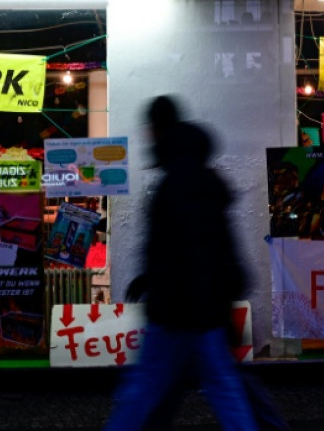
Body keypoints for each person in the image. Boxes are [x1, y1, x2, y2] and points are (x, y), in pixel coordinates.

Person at [103, 95, 260, 431]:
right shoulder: (202, 178)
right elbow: (210, 247)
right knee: (225, 391)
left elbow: (183, 249)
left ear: (158, 129)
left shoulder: (175, 182)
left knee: (143, 390)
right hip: (204, 311)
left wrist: (153, 282)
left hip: (175, 310)